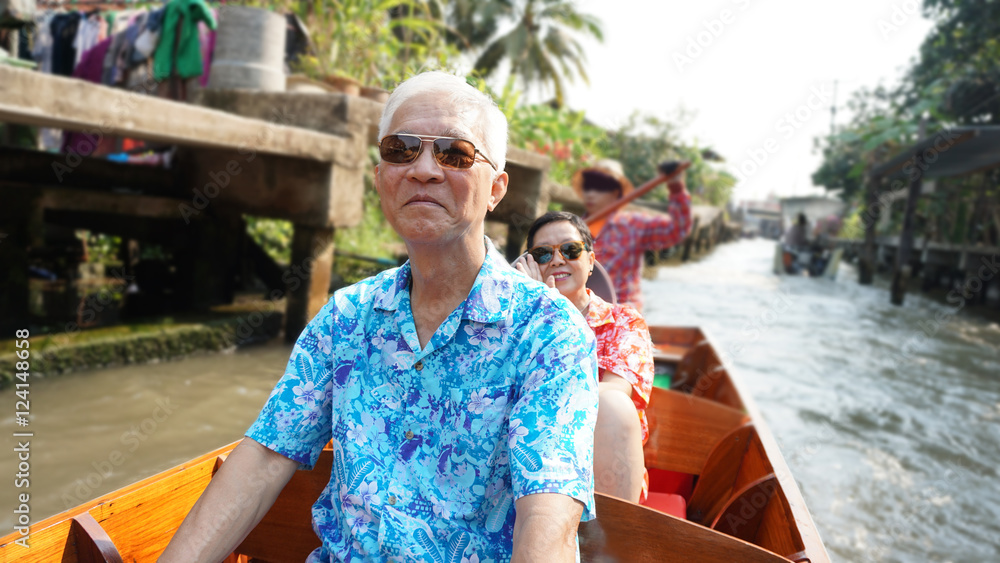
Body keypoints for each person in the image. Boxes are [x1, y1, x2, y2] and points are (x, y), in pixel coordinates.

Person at [159, 72, 600, 563]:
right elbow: (265, 457)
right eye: (401, 149)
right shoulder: (345, 316)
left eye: (455, 153)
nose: (424, 170)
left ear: (496, 188)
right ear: (380, 178)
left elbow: (549, 519)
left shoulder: (550, 333)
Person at [513, 211, 654, 504]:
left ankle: (611, 541)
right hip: (528, 453)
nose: (557, 260)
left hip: (597, 463)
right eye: (542, 254)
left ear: (590, 261)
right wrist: (533, 304)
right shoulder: (518, 320)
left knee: (613, 403)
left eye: (570, 250)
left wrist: (553, 310)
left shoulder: (622, 321)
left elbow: (618, 391)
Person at [574, 159, 692, 311]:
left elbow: (677, 230)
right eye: (587, 187)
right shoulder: (573, 229)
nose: (590, 194)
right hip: (584, 313)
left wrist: (676, 186)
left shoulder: (634, 225)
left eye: (599, 187)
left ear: (616, 193)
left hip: (624, 314)